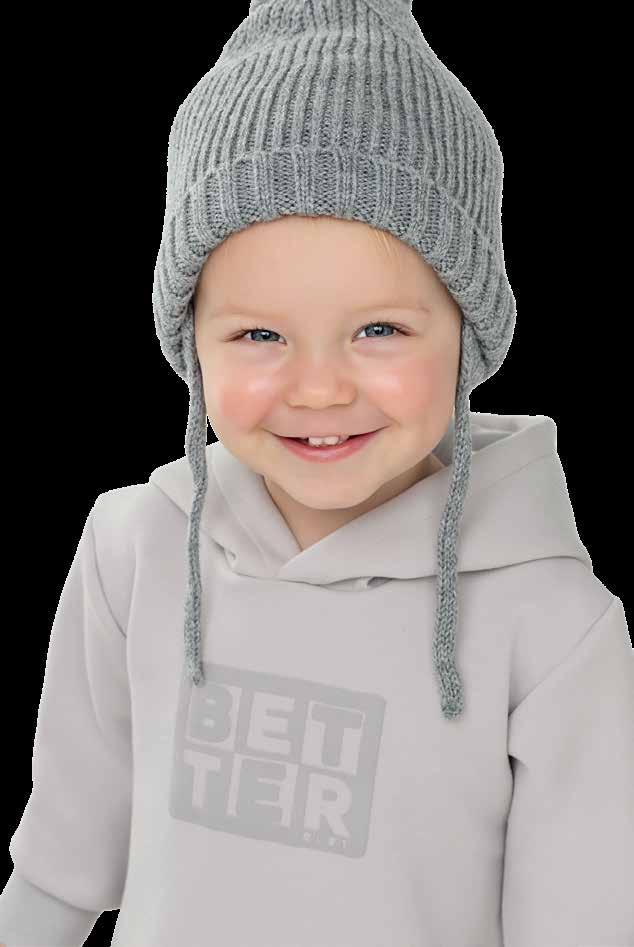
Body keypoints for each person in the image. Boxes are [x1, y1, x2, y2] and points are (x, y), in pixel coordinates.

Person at [2, 0, 633, 944]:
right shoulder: (134, 549)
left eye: (379, 328)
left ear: (468, 331)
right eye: (260, 334)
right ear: (191, 342)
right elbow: (62, 864)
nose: (321, 387)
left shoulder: (551, 623)